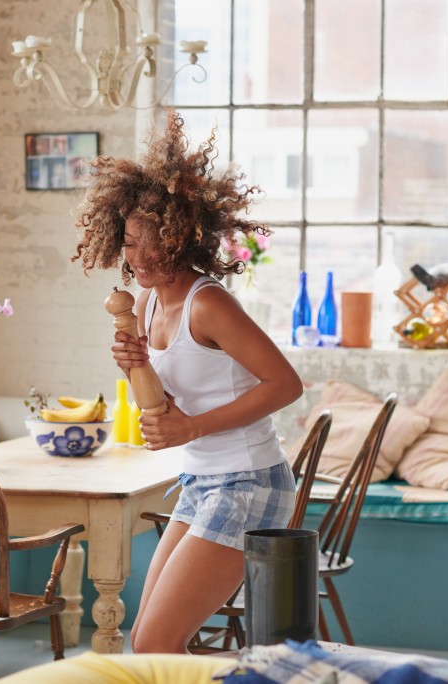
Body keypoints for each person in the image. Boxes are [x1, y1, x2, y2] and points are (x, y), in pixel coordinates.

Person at [71, 109, 303, 654]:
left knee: (156, 643)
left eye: (152, 241)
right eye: (128, 243)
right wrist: (134, 365)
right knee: (148, 644)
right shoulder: (147, 302)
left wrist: (192, 428)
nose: (138, 257)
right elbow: (165, 404)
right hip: (201, 481)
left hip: (248, 483)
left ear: (183, 238)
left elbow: (285, 385)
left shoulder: (210, 303)